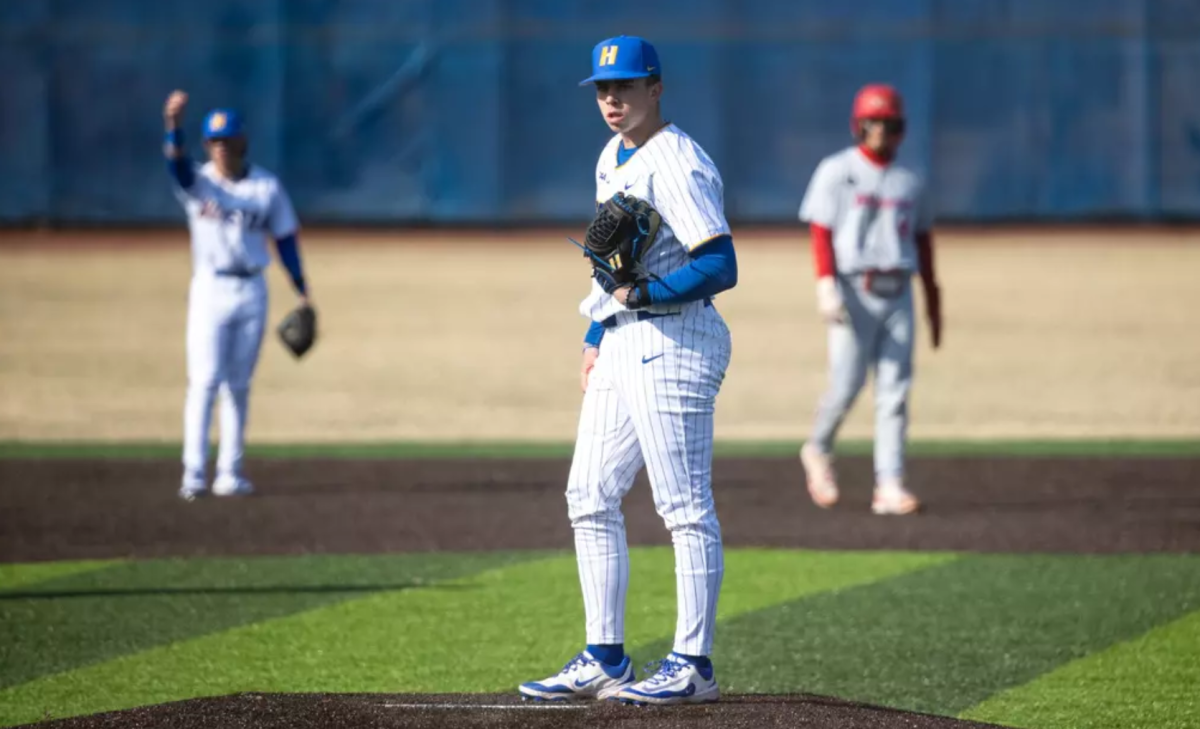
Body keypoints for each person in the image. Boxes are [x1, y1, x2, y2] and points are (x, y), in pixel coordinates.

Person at [518, 35, 737, 706]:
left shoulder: (677, 160)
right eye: (603, 89)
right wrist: (595, 328)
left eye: (626, 86)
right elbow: (611, 262)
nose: (612, 99)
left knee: (683, 506)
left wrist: (642, 297)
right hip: (620, 340)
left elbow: (720, 263)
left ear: (656, 88)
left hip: (676, 339)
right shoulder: (612, 154)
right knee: (588, 492)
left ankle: (692, 663)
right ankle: (605, 655)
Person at [797, 84, 942, 516]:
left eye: (889, 123)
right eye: (873, 121)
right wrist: (825, 284)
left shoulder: (910, 180)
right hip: (852, 287)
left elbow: (923, 239)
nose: (881, 130)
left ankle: (890, 484)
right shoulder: (836, 170)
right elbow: (821, 231)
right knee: (846, 384)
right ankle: (817, 448)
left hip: (898, 289)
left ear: (902, 128)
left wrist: (934, 299)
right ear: (858, 124)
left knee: (895, 392)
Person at [162, 90, 311, 501]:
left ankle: (230, 472)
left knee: (239, 384)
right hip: (210, 288)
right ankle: (193, 474)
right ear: (208, 145)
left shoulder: (266, 187)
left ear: (242, 141)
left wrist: (303, 292)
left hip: (252, 288)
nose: (221, 147)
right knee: (204, 381)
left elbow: (285, 239)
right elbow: (176, 167)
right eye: (214, 141)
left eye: (228, 140)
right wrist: (173, 125)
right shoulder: (199, 184)